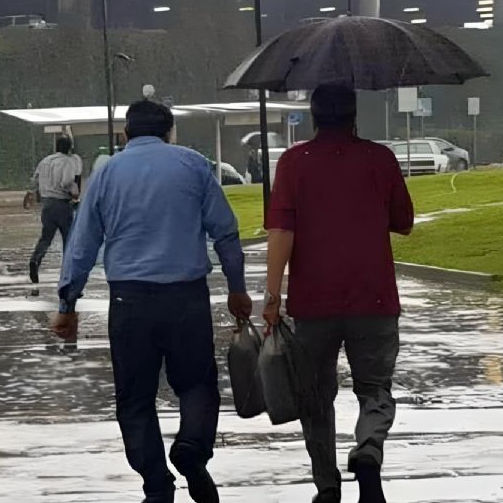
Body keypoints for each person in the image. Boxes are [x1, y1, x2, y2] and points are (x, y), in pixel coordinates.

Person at [53, 100, 252, 503]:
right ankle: (192, 450)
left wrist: (67, 304)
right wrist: (236, 288)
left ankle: (156, 485)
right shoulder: (193, 165)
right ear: (170, 132)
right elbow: (226, 234)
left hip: (129, 301)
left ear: (126, 134)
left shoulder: (106, 174)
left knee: (134, 398)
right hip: (187, 296)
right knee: (197, 383)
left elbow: (82, 244)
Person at [262, 85, 414, 503]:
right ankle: (368, 448)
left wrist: (272, 298)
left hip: (314, 302)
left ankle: (327, 485)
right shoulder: (379, 159)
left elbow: (281, 232)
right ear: (354, 117)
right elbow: (404, 222)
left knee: (315, 395)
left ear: (312, 118)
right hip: (375, 297)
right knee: (376, 388)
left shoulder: (294, 162)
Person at [28, 136, 81, 284]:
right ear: (69, 148)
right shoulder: (68, 162)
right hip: (62, 204)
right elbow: (66, 182)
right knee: (68, 240)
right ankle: (67, 274)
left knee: (46, 238)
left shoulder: (45, 161)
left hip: (46, 205)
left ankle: (35, 260)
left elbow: (35, 180)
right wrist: (74, 193)